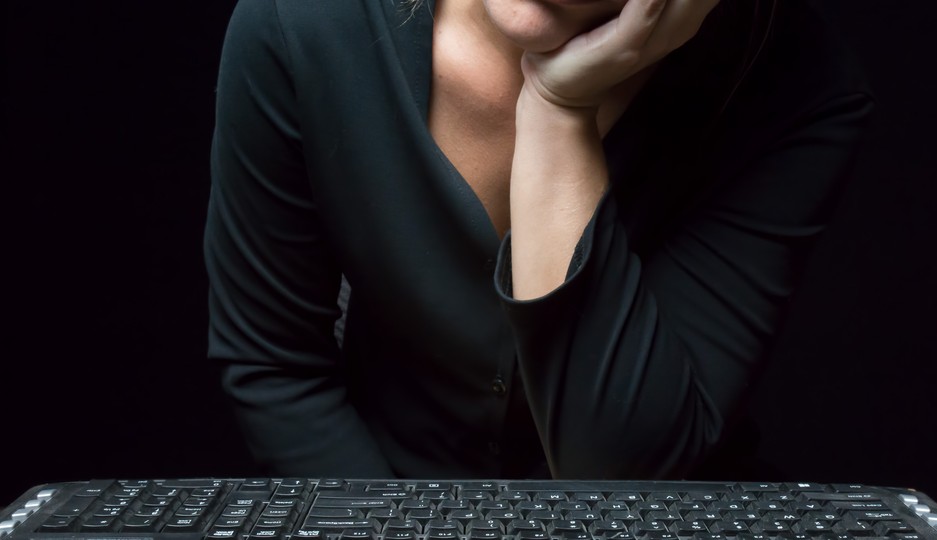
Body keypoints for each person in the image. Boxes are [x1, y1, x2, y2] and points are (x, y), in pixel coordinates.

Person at [203, 0, 874, 480]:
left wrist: (559, 114)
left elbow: (619, 470)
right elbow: (275, 368)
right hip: (374, 497)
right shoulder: (305, 22)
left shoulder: (797, 82)